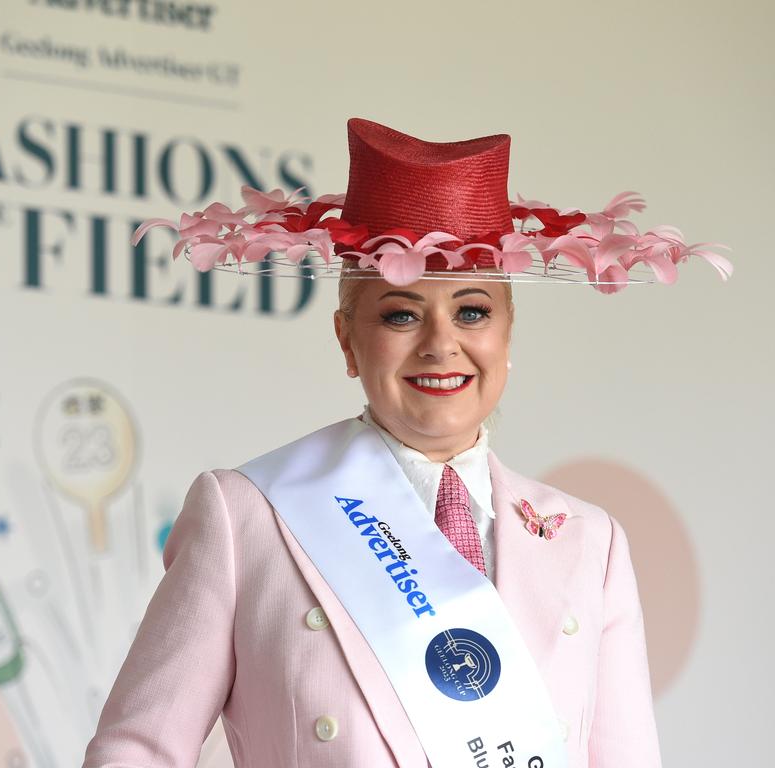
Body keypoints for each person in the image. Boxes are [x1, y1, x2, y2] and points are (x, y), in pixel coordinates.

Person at [82, 117, 730, 768]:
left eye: (472, 311)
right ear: (346, 338)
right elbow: (135, 752)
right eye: (400, 313)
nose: (440, 344)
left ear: (508, 334)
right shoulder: (246, 517)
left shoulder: (590, 543)